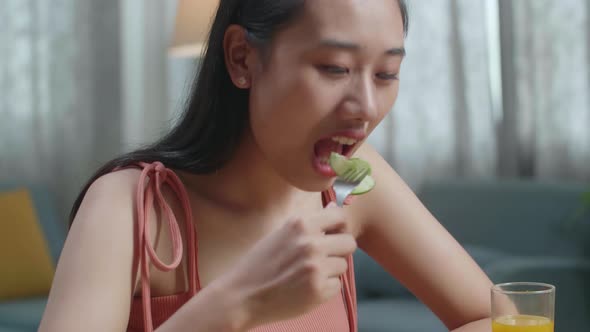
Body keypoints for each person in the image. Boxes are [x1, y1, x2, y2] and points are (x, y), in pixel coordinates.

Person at [39, 0, 493, 331]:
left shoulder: (354, 183)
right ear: (242, 58)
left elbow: (495, 319)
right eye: (334, 68)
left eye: (386, 74)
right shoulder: (129, 208)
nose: (366, 108)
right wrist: (238, 303)